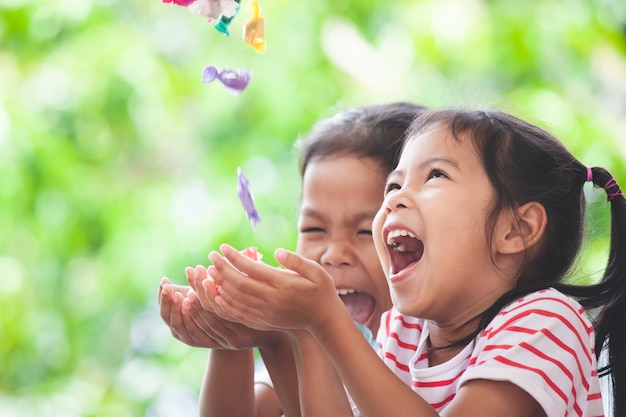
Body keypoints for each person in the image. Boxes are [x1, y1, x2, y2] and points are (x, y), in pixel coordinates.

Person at [202, 107, 626, 417]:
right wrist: (287, 334)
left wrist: (326, 323)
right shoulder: (403, 332)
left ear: (515, 230)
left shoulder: (547, 321)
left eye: (435, 176)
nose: (395, 199)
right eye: (395, 184)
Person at [158, 102, 428, 416]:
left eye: (366, 231)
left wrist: (298, 333)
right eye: (314, 228)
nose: (333, 254)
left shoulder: (426, 356)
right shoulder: (299, 343)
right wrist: (230, 338)